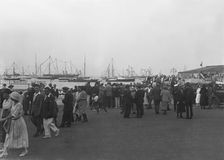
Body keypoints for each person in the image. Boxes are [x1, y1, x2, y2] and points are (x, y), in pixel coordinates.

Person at [0, 92, 29, 157]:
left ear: (14, 98)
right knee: (8, 136)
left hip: (19, 123)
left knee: (22, 136)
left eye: (11, 97)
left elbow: (14, 115)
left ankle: (25, 150)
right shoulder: (13, 103)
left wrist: (4, 119)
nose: (10, 98)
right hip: (13, 122)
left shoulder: (19, 105)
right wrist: (5, 118)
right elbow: (11, 113)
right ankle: (5, 151)